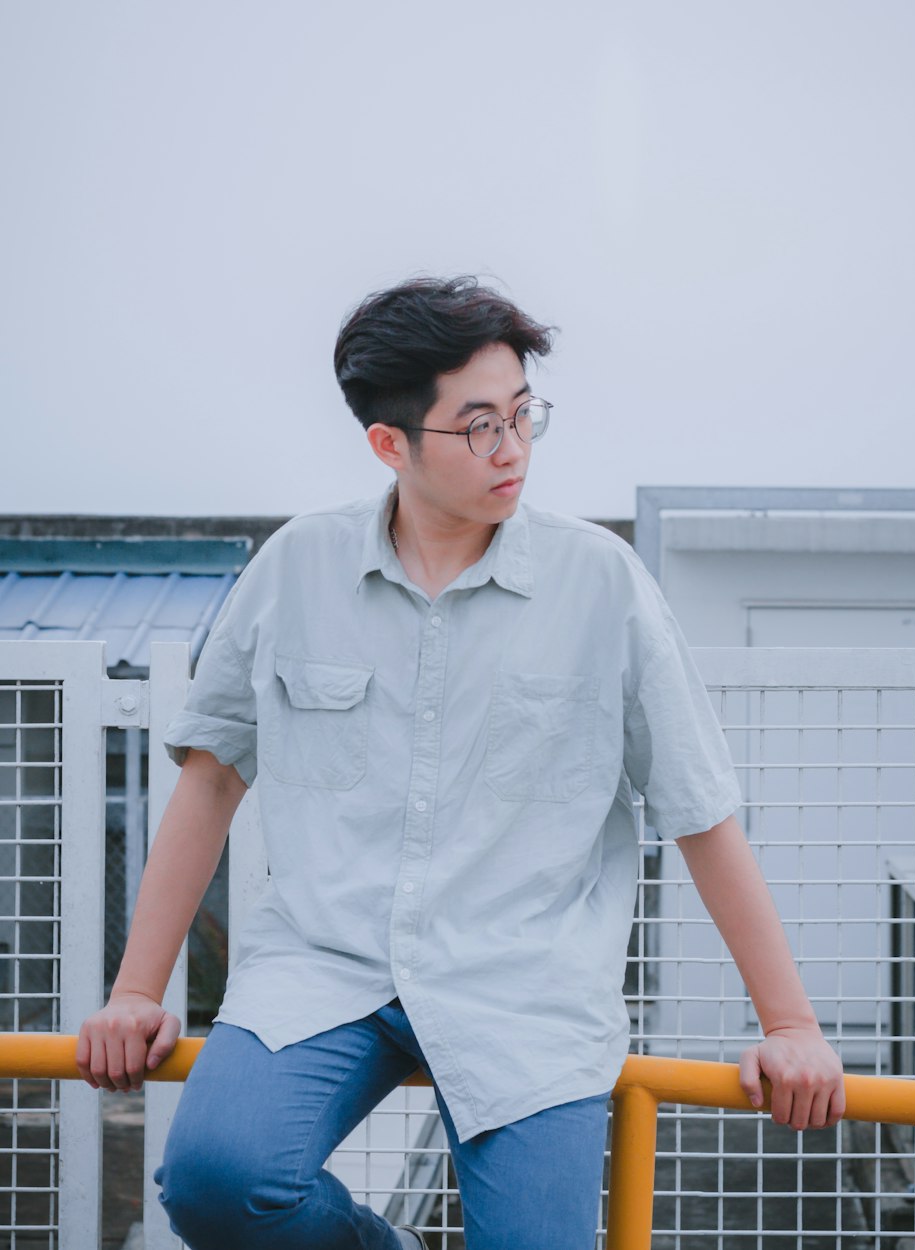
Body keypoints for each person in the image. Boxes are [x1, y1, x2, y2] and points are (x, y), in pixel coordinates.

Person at [77, 275, 845, 1250]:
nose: (512, 447)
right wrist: (138, 991)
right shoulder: (294, 569)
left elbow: (698, 809)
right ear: (390, 443)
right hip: (325, 964)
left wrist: (791, 1021)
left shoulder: (600, 582)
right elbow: (213, 774)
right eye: (478, 424)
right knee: (217, 1181)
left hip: (524, 986)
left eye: (524, 414)